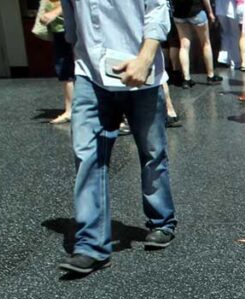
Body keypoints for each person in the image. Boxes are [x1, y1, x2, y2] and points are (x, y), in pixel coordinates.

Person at [57, 0, 178, 275]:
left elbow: (158, 8)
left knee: (152, 152)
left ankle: (161, 222)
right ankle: (91, 246)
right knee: (88, 156)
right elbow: (72, 23)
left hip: (142, 72)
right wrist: (78, 52)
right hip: (90, 73)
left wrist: (145, 59)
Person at [37, 1, 75, 124]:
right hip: (59, 32)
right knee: (64, 70)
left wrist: (54, 12)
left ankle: (114, 113)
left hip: (74, 31)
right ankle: (70, 110)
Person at [173, 0, 223, 86]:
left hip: (178, 13)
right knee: (205, 43)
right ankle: (210, 76)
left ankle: (186, 79)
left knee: (184, 46)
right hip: (196, 12)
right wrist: (210, 12)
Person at [216, 0, 245, 68]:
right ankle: (235, 61)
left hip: (220, 8)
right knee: (234, 34)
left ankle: (224, 58)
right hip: (232, 9)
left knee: (225, 33)